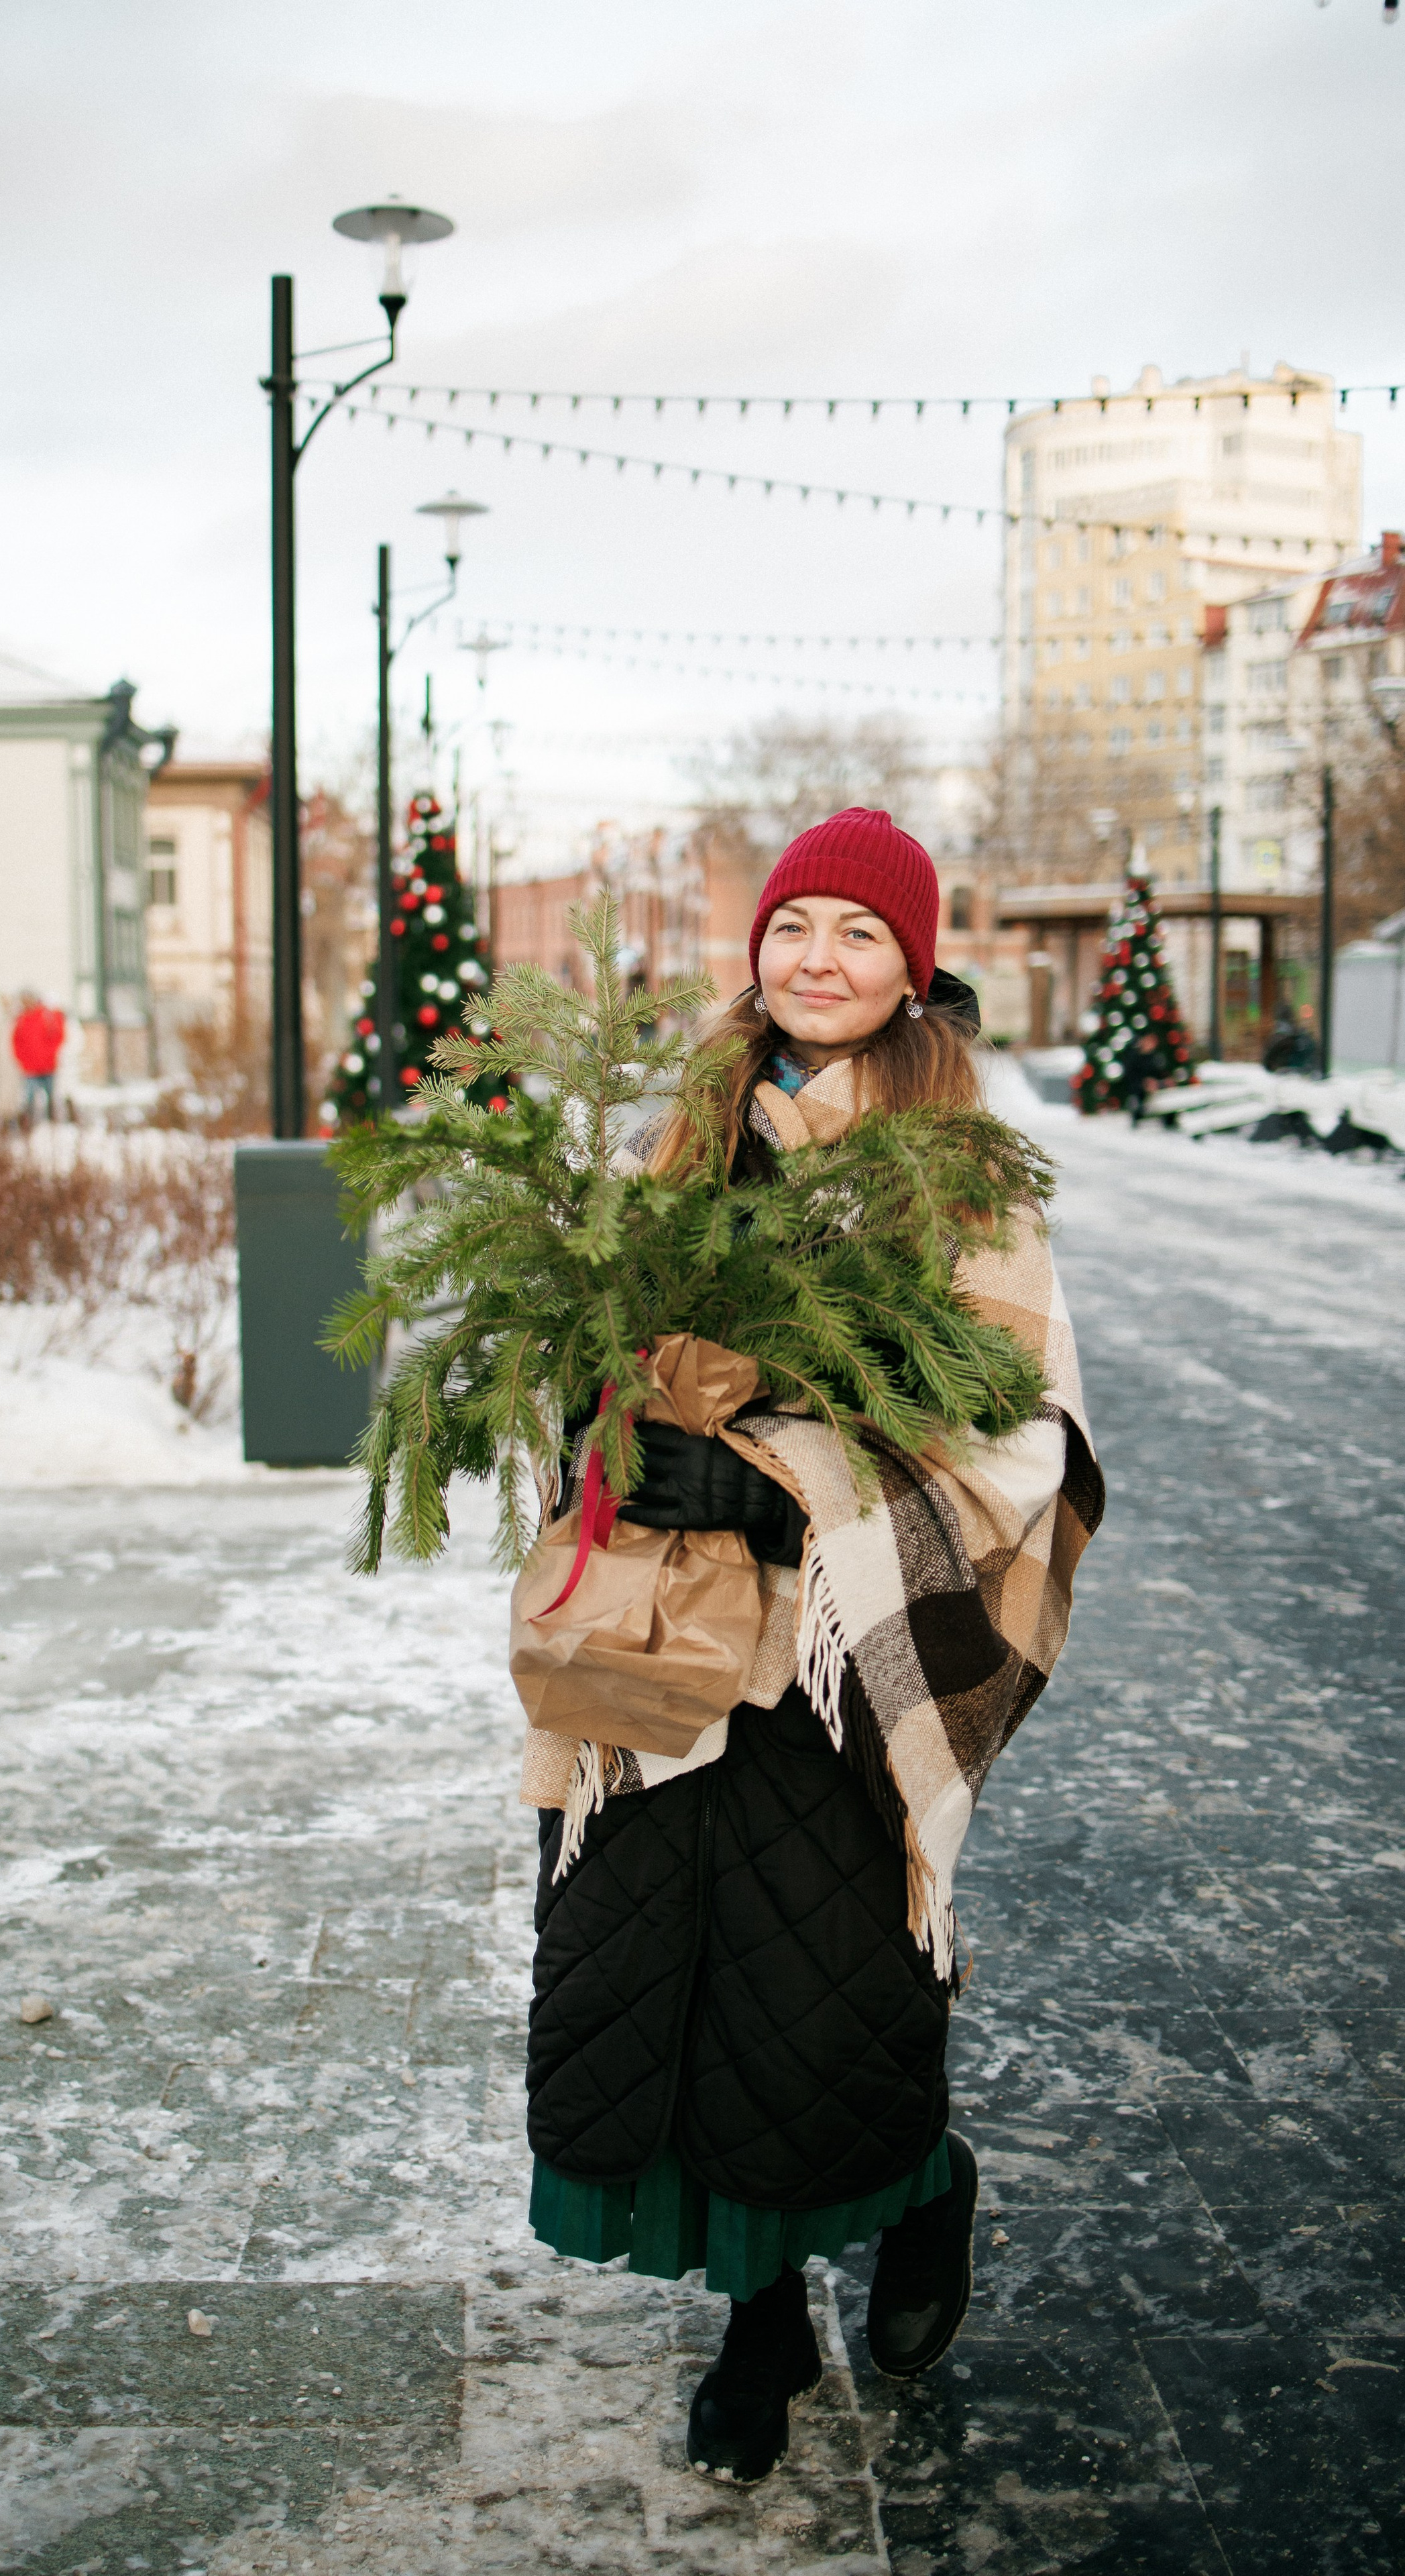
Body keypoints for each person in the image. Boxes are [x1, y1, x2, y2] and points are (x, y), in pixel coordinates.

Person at [522, 808, 1104, 2483]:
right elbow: (596, 1337)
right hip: (669, 1632)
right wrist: (623, 1437)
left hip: (840, 1655)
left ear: (910, 968)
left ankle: (922, 2190)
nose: (817, 959)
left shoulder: (953, 1166)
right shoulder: (690, 1128)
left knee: (819, 1994)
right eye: (792, 925)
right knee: (659, 1972)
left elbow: (1015, 1429)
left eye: (859, 932)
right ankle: (760, 2320)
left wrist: (793, 1490)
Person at [11, 990, 66, 1125]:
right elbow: (16, 1042)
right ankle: (30, 1125)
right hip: (30, 1068)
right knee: (29, 1099)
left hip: (48, 1066)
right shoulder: (21, 1019)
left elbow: (58, 1036)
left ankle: (52, 1125)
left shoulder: (46, 1015)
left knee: (51, 1098)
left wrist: (49, 1054)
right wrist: (23, 1059)